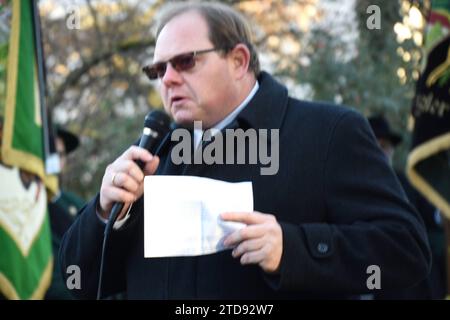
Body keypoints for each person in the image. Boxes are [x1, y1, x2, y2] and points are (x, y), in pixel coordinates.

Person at [60, 2, 431, 299]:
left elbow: (406, 249)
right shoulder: (154, 154)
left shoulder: (327, 132)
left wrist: (292, 250)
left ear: (238, 60)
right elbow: (78, 282)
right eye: (157, 70)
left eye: (185, 61)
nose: (168, 79)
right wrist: (106, 213)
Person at [368, 115, 447, 299]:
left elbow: (431, 213)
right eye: (375, 145)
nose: (381, 151)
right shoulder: (350, 186)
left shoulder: (406, 182)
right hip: (376, 273)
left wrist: (443, 213)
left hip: (414, 277)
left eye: (385, 146)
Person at [45, 127, 84, 299]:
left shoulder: (76, 204)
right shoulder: (22, 207)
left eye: (60, 155)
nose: (55, 161)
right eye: (49, 152)